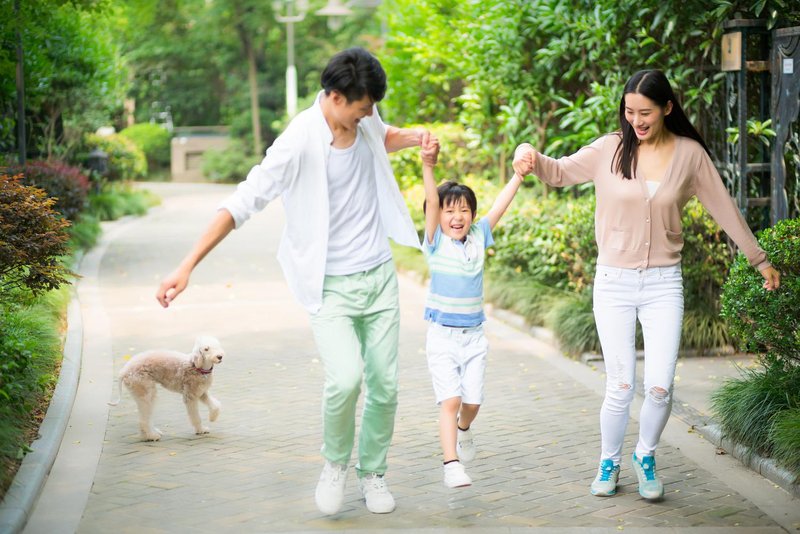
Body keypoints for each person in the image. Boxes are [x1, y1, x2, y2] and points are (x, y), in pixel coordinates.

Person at [155, 47, 429, 516]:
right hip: (329, 283)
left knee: (385, 384)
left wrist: (417, 138)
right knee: (345, 380)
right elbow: (243, 202)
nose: (368, 115)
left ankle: (373, 473)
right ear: (336, 97)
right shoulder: (298, 141)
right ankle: (335, 465)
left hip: (379, 276)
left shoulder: (365, 120)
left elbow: (383, 135)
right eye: (363, 107)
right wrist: (187, 265)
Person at [512, 69, 781, 501]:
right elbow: (558, 172)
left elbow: (724, 209)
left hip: (663, 284)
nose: (635, 120)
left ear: (667, 108)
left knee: (659, 385)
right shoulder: (609, 149)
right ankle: (609, 461)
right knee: (620, 385)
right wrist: (528, 153)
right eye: (629, 111)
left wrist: (759, 259)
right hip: (613, 283)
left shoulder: (690, 155)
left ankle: (645, 455)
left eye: (645, 113)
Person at [420, 135, 524, 488]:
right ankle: (451, 464)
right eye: (449, 210)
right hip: (442, 337)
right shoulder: (435, 242)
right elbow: (431, 199)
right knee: (450, 400)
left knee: (472, 403)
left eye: (464, 210)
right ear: (438, 216)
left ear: (472, 215)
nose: (457, 216)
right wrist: (428, 165)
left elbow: (500, 206)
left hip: (474, 337)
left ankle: (464, 430)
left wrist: (518, 176)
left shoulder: (479, 236)